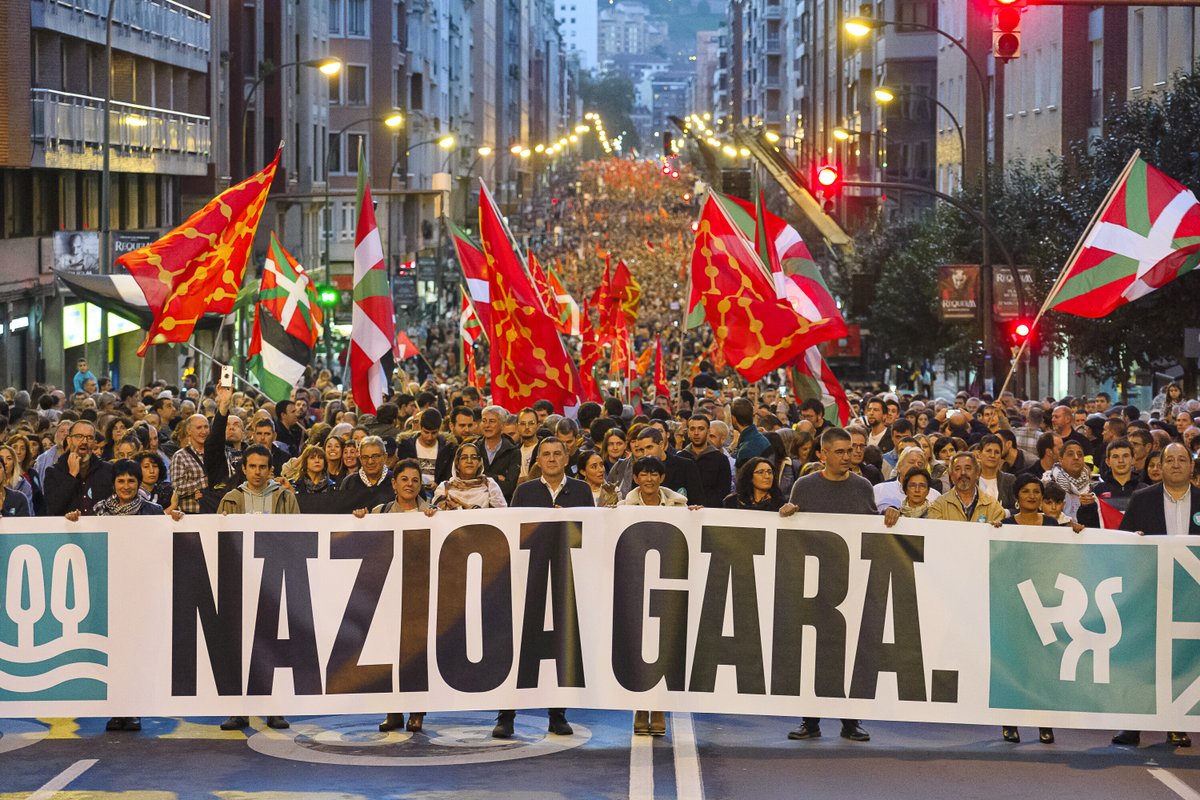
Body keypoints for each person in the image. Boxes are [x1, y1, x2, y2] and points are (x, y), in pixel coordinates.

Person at [64, 458, 182, 731]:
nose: (126, 486)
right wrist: (74, 525)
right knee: (113, 653)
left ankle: (135, 709)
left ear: (138, 483)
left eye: (131, 481)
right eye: (121, 481)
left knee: (137, 651)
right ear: (113, 484)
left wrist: (177, 521)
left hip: (141, 593)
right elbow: (88, 547)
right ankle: (117, 710)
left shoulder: (152, 512)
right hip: (108, 592)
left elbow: (166, 544)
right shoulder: (98, 511)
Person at [494, 437, 593, 740]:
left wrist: (570, 523)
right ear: (537, 460)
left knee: (560, 647)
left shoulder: (581, 490)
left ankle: (557, 714)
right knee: (519, 647)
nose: (551, 459)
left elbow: (593, 533)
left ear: (566, 459)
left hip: (566, 579)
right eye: (545, 454)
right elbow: (512, 532)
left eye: (556, 454)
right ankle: (506, 715)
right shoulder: (524, 491)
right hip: (530, 578)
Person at [779, 427, 873, 743]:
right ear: (823, 455)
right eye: (841, 451)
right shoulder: (804, 487)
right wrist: (788, 514)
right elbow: (792, 537)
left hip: (851, 584)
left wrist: (890, 516)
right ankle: (811, 720)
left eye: (851, 450)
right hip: (814, 585)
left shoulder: (862, 487)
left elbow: (873, 532)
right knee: (813, 653)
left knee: (851, 654)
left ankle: (851, 721)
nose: (849, 456)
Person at [1112, 444, 1200, 749]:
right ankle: (1133, 725)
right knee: (1143, 658)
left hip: (1192, 596)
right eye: (1170, 460)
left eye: (1182, 460)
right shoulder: (1142, 499)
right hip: (1150, 591)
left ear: (1192, 466)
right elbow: (1124, 541)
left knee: (1182, 661)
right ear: (1159, 466)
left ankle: (1177, 725)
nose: (1176, 465)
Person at [216, 444, 298, 731]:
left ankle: (274, 709)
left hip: (275, 581)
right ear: (244, 468)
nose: (257, 472)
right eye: (252, 466)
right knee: (238, 646)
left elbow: (299, 536)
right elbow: (218, 541)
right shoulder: (231, 499)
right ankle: (238, 710)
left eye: (263, 467)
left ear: (270, 469)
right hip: (240, 582)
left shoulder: (286, 498)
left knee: (273, 645)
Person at [352, 458, 437, 734]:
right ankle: (393, 712)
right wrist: (360, 521)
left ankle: (417, 713)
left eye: (415, 480)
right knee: (389, 653)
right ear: (394, 483)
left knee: (416, 655)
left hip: (419, 594)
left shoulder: (434, 514)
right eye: (404, 479)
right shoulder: (379, 512)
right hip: (386, 594)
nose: (410, 484)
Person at [44, 420, 114, 516]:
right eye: (79, 436)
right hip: (68, 529)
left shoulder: (108, 470)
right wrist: (71, 475)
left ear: (94, 443)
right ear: (69, 440)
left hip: (102, 529)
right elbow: (53, 508)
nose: (84, 441)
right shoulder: (53, 472)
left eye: (89, 438)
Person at [927, 452, 1006, 524]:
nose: (963, 473)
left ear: (977, 473)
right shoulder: (939, 505)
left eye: (968, 468)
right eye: (957, 469)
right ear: (951, 476)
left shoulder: (993, 506)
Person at [397, 409, 454, 498]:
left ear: (439, 429)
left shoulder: (448, 448)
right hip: (411, 492)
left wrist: (438, 485)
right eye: (426, 432)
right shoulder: (406, 446)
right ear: (420, 427)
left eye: (434, 433)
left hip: (439, 494)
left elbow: (449, 475)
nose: (429, 437)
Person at [679, 414, 733, 507]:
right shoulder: (680, 457)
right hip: (684, 511)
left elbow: (723, 492)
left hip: (711, 513)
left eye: (701, 429)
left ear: (708, 431)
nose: (696, 433)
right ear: (688, 432)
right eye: (692, 429)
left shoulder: (721, 459)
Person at [338, 436, 394, 514]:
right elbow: (341, 512)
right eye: (365, 457)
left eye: (375, 456)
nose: (370, 461)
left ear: (385, 457)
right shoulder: (349, 482)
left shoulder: (395, 480)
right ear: (360, 459)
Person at [479, 405, 521, 501]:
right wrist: (496, 477)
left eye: (492, 421)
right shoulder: (474, 448)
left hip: (502, 505)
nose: (487, 425)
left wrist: (481, 478)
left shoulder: (513, 452)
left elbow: (509, 488)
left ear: (502, 425)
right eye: (484, 421)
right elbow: (467, 480)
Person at [292, 444, 339, 513]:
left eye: (320, 457)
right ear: (305, 462)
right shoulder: (295, 486)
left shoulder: (334, 487)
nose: (317, 461)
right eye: (312, 458)